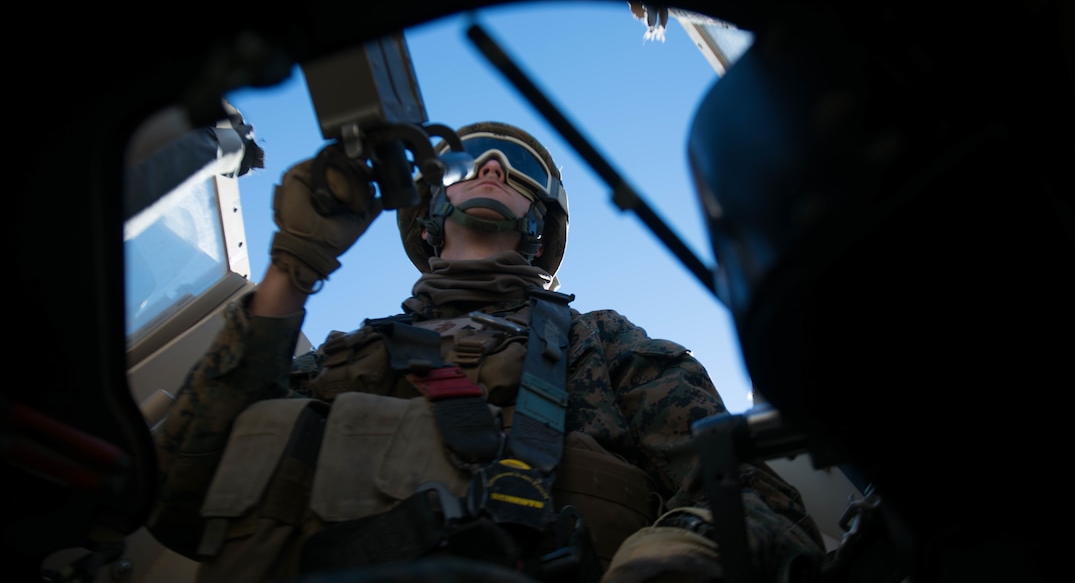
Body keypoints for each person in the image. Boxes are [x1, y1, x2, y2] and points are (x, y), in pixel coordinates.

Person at [148, 121, 827, 582]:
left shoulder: (604, 342)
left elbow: (750, 488)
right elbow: (174, 487)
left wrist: (671, 556)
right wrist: (292, 271)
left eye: (520, 169)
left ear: (539, 227)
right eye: (470, 161)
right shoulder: (336, 359)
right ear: (427, 210)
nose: (496, 166)